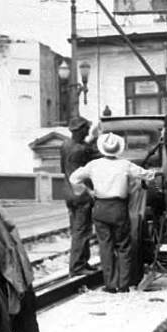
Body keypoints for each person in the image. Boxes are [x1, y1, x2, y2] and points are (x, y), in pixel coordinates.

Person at [69, 132, 155, 293]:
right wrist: (156, 172)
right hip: (118, 208)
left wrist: (89, 191)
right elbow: (148, 175)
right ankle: (124, 285)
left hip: (100, 207)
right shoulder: (125, 165)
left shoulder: (93, 165)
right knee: (123, 246)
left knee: (105, 246)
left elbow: (74, 178)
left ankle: (110, 285)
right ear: (118, 149)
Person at [59, 116, 99, 276]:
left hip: (69, 193)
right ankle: (77, 267)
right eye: (86, 129)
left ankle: (82, 262)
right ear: (80, 130)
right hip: (81, 194)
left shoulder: (65, 145)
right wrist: (96, 138)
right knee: (82, 231)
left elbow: (63, 169)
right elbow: (96, 154)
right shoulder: (80, 150)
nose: (88, 131)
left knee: (78, 229)